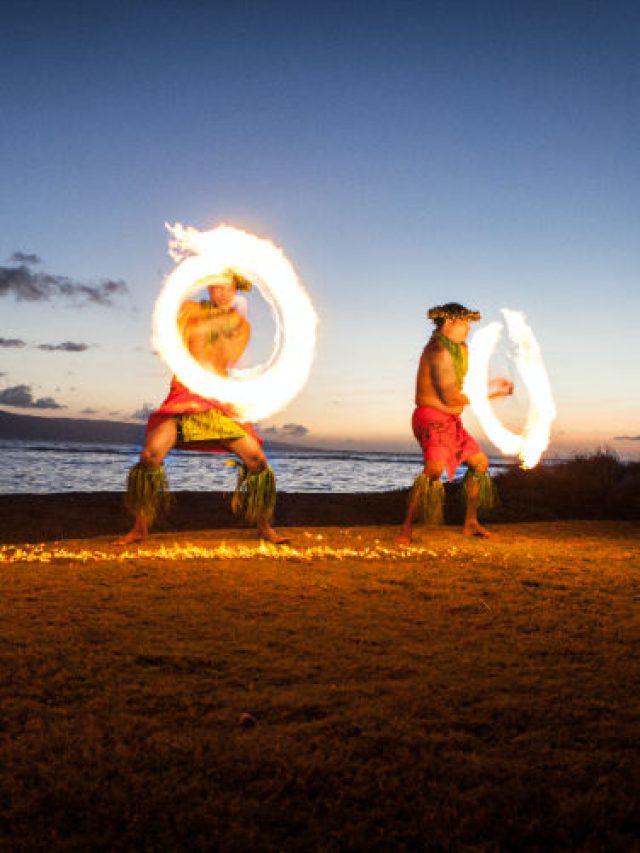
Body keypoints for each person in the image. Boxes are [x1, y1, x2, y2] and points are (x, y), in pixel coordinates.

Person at [117, 269, 289, 545]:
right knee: (150, 456)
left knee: (257, 461)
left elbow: (231, 356)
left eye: (228, 288)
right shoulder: (189, 310)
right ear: (208, 288)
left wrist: (225, 323)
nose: (222, 293)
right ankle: (140, 528)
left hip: (216, 399)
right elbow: (170, 334)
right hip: (184, 395)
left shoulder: (240, 325)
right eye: (216, 287)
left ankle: (265, 527)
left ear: (236, 290)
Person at [397, 302, 513, 544]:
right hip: (431, 419)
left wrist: (492, 384)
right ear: (449, 323)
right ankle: (406, 529)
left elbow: (463, 386)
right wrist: (493, 394)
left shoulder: (459, 348)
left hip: (451, 421)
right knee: (433, 471)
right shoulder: (439, 352)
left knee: (479, 464)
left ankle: (471, 522)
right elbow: (449, 396)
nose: (469, 329)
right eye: (465, 323)